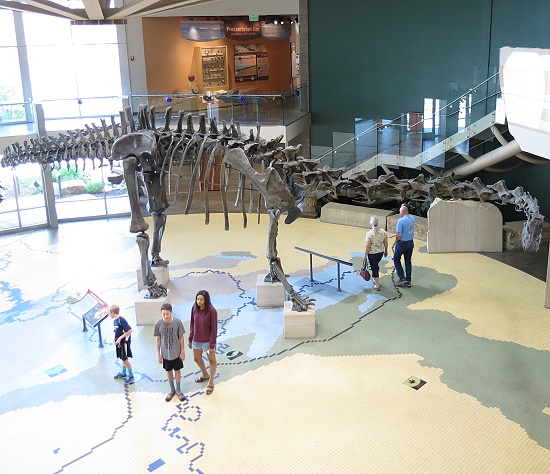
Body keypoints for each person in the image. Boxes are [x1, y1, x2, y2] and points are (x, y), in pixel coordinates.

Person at [153, 303, 186, 402]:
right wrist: (158, 354)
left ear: (171, 312)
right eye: (163, 314)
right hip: (165, 354)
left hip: (176, 352)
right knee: (168, 371)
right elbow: (158, 339)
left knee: (177, 370)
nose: (165, 316)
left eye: (167, 314)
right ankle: (172, 390)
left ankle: (178, 389)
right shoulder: (158, 324)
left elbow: (181, 338)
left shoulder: (177, 322)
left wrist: (183, 351)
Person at [188, 290, 218, 396]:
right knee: (196, 358)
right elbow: (192, 324)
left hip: (207, 341)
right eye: (197, 299)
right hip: (196, 339)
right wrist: (190, 338)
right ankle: (205, 374)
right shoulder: (194, 308)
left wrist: (212, 345)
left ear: (206, 300)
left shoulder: (212, 311)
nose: (199, 301)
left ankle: (211, 382)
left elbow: (214, 329)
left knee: (212, 360)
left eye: (201, 299)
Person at [109, 305, 134, 384]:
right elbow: (116, 332)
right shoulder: (115, 321)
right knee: (122, 358)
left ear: (112, 313)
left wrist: (120, 338)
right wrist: (115, 338)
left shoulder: (122, 320)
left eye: (109, 313)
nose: (109, 315)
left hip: (124, 343)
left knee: (125, 359)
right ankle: (123, 372)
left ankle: (131, 375)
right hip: (119, 343)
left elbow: (129, 330)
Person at [393, 203, 415, 287]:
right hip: (410, 242)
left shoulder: (400, 221)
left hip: (402, 243)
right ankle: (408, 280)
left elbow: (398, 234)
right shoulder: (412, 218)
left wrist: (396, 241)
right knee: (408, 261)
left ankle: (401, 277)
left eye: (400, 211)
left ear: (402, 211)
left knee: (396, 258)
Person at [364, 215, 388, 290]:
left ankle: (377, 285)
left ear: (371, 224)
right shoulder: (383, 232)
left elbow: (368, 246)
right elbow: (386, 243)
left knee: (374, 268)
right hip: (380, 252)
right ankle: (375, 279)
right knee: (375, 265)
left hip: (372, 254)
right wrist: (386, 250)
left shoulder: (369, 234)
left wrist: (365, 255)